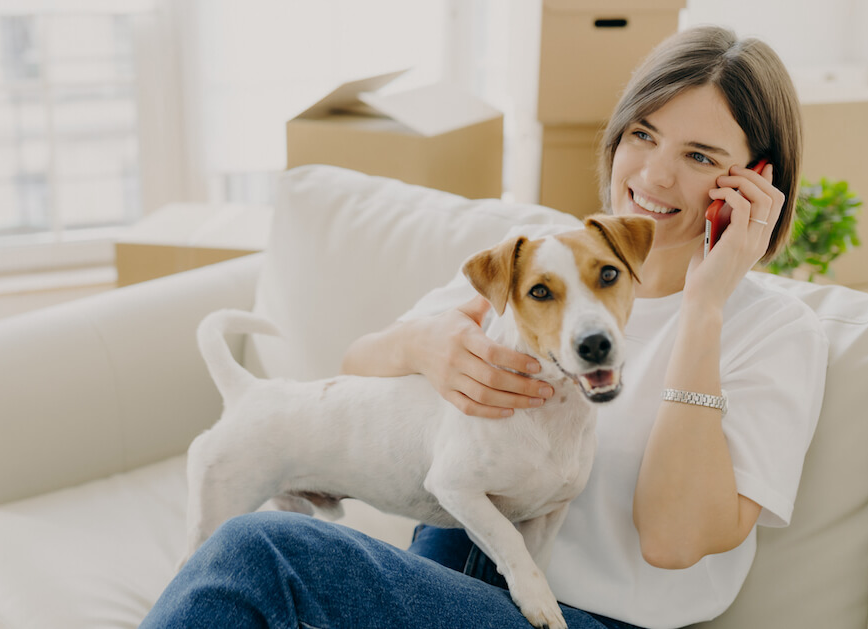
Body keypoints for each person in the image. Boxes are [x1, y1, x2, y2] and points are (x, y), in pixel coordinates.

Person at [141, 25, 828, 629]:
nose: (653, 173)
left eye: (700, 156)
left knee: (259, 548)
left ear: (757, 181)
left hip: (589, 619)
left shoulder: (775, 332)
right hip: (444, 584)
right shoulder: (538, 265)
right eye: (642, 134)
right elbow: (355, 368)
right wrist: (424, 346)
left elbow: (673, 540)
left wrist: (704, 306)